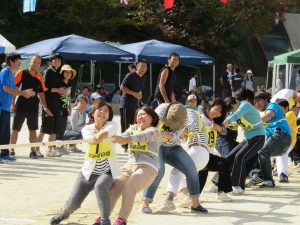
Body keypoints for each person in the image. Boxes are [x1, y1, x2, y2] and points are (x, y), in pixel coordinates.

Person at [50, 102, 120, 225]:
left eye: (106, 111)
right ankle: (62, 214)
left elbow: (108, 131)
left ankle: (105, 221)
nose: (103, 112)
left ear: (109, 116)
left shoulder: (112, 125)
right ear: (93, 113)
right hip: (87, 173)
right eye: (100, 110)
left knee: (100, 187)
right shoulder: (86, 128)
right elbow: (89, 139)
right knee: (74, 203)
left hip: (107, 172)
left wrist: (100, 136)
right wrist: (94, 139)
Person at [141, 103, 207, 214]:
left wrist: (171, 136)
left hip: (174, 146)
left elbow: (182, 139)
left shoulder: (189, 121)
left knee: (191, 167)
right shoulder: (161, 110)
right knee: (159, 169)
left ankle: (195, 204)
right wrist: (160, 134)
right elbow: (147, 128)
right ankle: (145, 203)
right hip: (155, 145)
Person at [108, 107, 161, 225]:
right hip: (129, 166)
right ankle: (103, 219)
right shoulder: (132, 128)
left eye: (144, 114)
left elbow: (141, 137)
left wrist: (126, 139)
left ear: (152, 119)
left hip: (147, 167)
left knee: (129, 188)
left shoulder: (154, 131)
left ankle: (121, 220)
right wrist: (107, 138)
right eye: (138, 115)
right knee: (113, 188)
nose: (140, 117)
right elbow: (121, 136)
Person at [223, 88, 266, 194]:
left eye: (232, 109)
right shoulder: (236, 108)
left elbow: (235, 116)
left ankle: (238, 186)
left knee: (240, 157)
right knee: (229, 157)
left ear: (236, 102)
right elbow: (231, 117)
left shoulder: (244, 105)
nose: (232, 111)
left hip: (258, 138)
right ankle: (217, 183)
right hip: (247, 139)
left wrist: (224, 123)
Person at [10, 55, 53, 159]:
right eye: (34, 62)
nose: (36, 64)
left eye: (38, 63)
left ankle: (32, 151)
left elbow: (42, 93)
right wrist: (13, 103)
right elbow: (14, 88)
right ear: (30, 61)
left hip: (33, 107)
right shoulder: (21, 72)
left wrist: (45, 106)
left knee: (33, 130)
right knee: (15, 129)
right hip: (20, 105)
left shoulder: (40, 76)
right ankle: (11, 150)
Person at [247, 92, 292, 188]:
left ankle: (268, 180)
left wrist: (251, 122)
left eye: (258, 101)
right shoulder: (263, 116)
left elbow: (268, 115)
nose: (256, 105)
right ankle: (260, 175)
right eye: (254, 103)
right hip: (279, 141)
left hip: (282, 136)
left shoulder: (273, 105)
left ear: (265, 100)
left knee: (263, 152)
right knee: (258, 152)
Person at [0, 53, 35, 162]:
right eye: (18, 61)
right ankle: (2, 154)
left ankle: (4, 154)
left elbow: (12, 89)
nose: (20, 63)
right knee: (2, 131)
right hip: (1, 106)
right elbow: (6, 89)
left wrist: (24, 93)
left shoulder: (12, 72)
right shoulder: (5, 72)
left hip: (6, 107)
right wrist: (22, 93)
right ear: (11, 61)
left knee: (5, 132)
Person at [37, 53, 67, 157]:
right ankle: (35, 149)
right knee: (44, 128)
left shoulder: (57, 73)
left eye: (59, 60)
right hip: (48, 103)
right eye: (55, 59)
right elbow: (44, 88)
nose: (57, 61)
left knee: (54, 129)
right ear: (51, 61)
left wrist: (62, 91)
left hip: (56, 104)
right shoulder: (48, 71)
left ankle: (50, 149)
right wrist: (58, 90)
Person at [119, 59, 148, 151]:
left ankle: (132, 143)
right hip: (126, 104)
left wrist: (139, 95)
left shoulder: (143, 77)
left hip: (135, 104)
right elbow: (122, 87)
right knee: (125, 125)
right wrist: (133, 93)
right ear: (137, 66)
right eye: (142, 66)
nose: (144, 68)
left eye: (145, 66)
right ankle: (124, 145)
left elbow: (138, 90)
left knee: (135, 125)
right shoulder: (131, 75)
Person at [55, 65, 77, 154]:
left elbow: (68, 97)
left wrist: (70, 107)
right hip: (59, 108)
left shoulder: (69, 84)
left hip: (65, 108)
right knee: (59, 128)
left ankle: (61, 146)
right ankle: (57, 146)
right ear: (62, 73)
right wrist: (59, 109)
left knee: (63, 127)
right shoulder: (60, 83)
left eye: (69, 72)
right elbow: (57, 97)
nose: (68, 74)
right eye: (66, 72)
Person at [275, 99, 297, 182]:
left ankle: (283, 174)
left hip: (289, 141)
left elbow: (279, 123)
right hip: (278, 140)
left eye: (279, 108)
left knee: (281, 153)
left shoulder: (290, 114)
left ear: (286, 108)